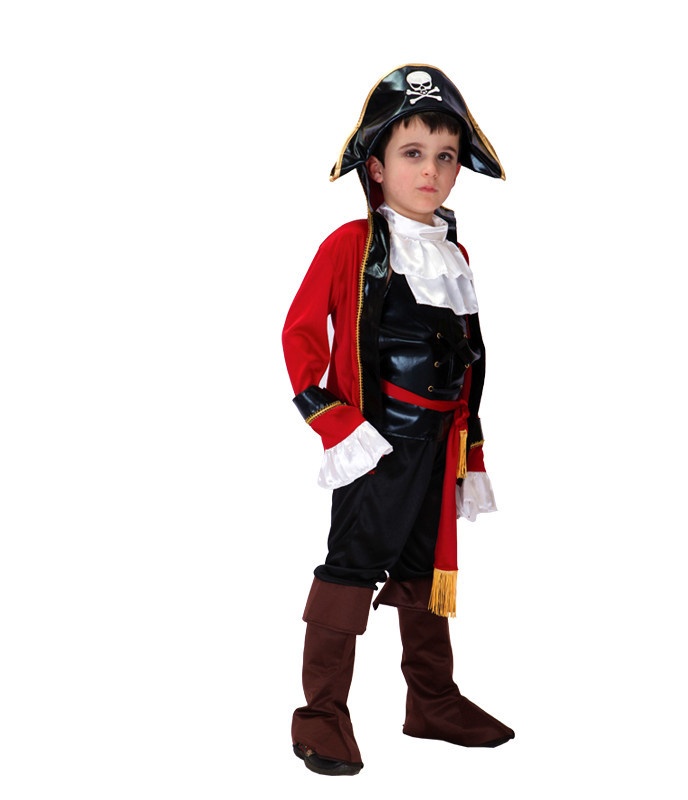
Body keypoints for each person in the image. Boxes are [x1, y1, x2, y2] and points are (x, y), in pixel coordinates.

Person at [282, 63, 514, 777]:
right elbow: (300, 336)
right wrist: (338, 426)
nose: (432, 170)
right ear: (377, 166)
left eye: (446, 155)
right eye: (413, 153)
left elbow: (467, 357)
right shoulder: (351, 245)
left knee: (423, 570)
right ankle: (321, 714)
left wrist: (470, 447)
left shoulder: (455, 253)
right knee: (351, 571)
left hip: (439, 444)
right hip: (376, 444)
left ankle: (432, 701)